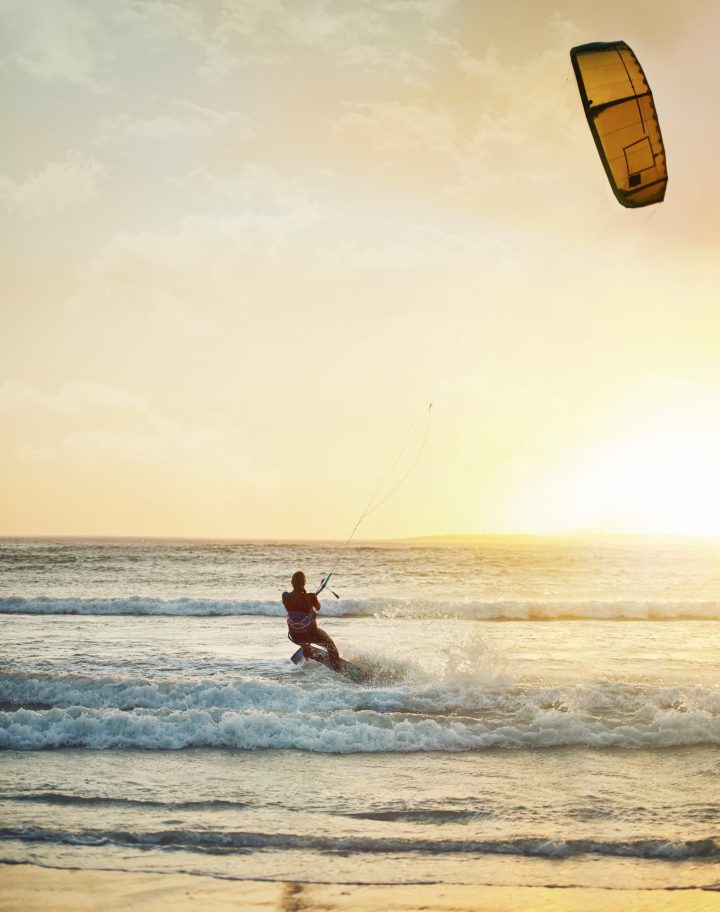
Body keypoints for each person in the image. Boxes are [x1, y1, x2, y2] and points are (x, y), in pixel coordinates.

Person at [282, 570, 340, 671]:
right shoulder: (311, 597)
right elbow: (318, 607)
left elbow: (297, 601)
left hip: (295, 636)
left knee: (303, 631)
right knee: (331, 645)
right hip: (310, 634)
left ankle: (305, 646)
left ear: (292, 583)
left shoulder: (285, 596)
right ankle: (337, 668)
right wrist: (313, 599)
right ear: (305, 583)